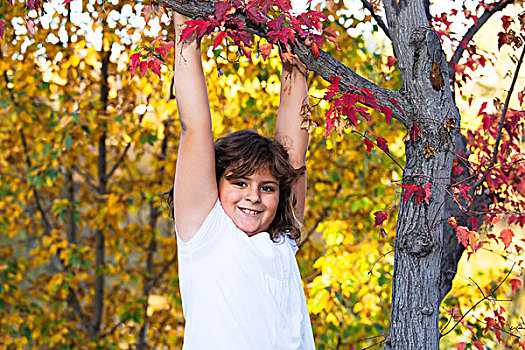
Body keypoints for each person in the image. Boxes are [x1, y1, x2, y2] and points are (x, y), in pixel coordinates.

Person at [169, 10, 316, 349]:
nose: (254, 196)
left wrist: (295, 64)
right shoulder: (205, 232)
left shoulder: (281, 243)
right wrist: (183, 25)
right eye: (239, 183)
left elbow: (293, 155)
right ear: (216, 182)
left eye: (267, 188)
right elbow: (196, 128)